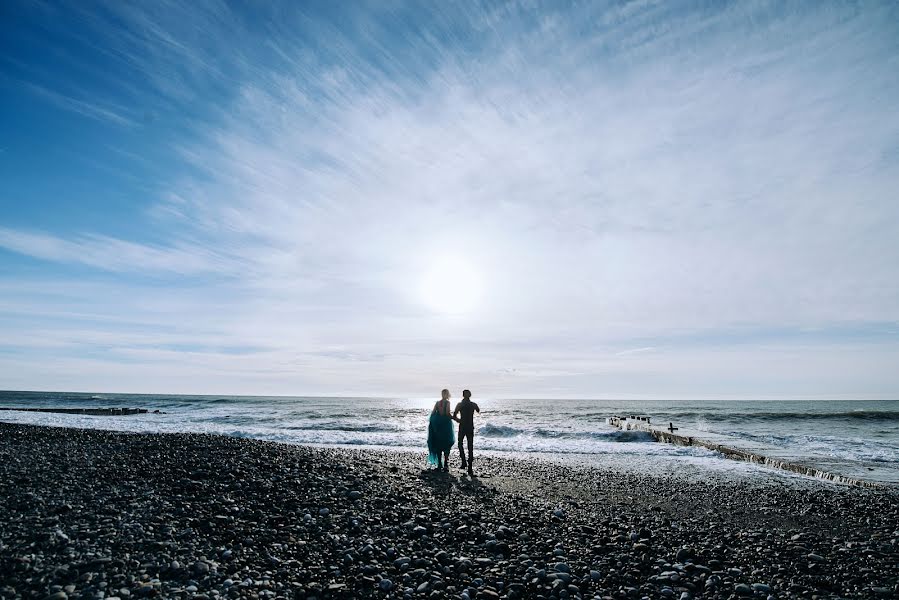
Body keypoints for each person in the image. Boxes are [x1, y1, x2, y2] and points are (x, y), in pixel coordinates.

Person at [427, 389, 455, 471]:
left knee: (438, 443)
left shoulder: (437, 403)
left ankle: (439, 464)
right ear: (447, 395)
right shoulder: (447, 403)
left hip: (437, 425)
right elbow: (447, 413)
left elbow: (432, 413)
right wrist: (455, 418)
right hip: (445, 425)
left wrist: (433, 423)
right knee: (447, 443)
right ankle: (446, 464)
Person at [453, 389, 480, 475]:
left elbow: (454, 415)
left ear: (463, 395)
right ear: (470, 395)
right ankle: (470, 467)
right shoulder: (473, 404)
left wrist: (458, 420)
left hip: (462, 426)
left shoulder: (460, 404)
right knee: (470, 446)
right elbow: (478, 410)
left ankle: (464, 461)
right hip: (470, 426)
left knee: (460, 443)